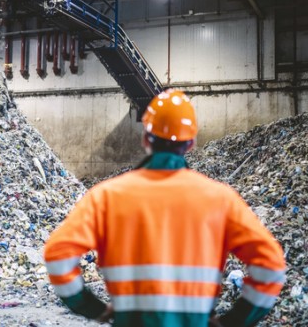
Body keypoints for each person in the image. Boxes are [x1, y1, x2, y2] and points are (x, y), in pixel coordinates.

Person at [43, 89, 286, 326]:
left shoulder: (106, 196)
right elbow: (271, 266)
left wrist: (91, 307)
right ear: (190, 143)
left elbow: (58, 256)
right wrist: (234, 320)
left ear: (146, 139)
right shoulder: (221, 199)